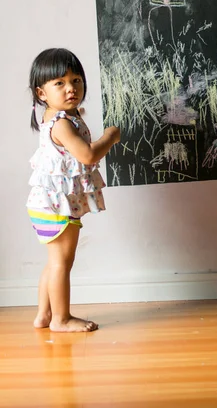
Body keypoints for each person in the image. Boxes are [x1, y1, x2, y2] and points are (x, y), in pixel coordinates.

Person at [27, 48, 120, 332]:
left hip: (52, 203)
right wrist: (110, 137)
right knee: (61, 263)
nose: (71, 89)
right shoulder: (62, 124)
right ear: (41, 93)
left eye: (76, 80)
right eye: (60, 83)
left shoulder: (62, 116)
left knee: (54, 260)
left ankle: (44, 315)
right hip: (55, 206)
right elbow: (88, 156)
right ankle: (61, 319)